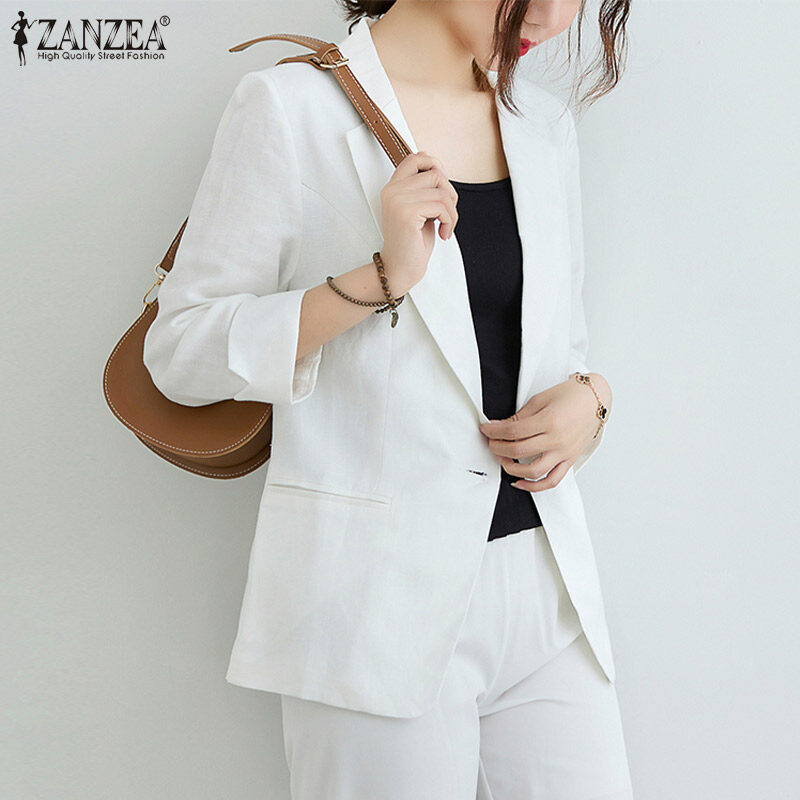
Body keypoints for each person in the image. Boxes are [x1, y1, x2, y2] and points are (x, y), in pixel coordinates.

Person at [143, 0, 634, 796]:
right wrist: (379, 279)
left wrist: (594, 401)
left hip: (547, 591)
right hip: (370, 604)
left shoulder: (542, 123)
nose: (554, 13)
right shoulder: (289, 108)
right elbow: (182, 353)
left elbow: (560, 352)